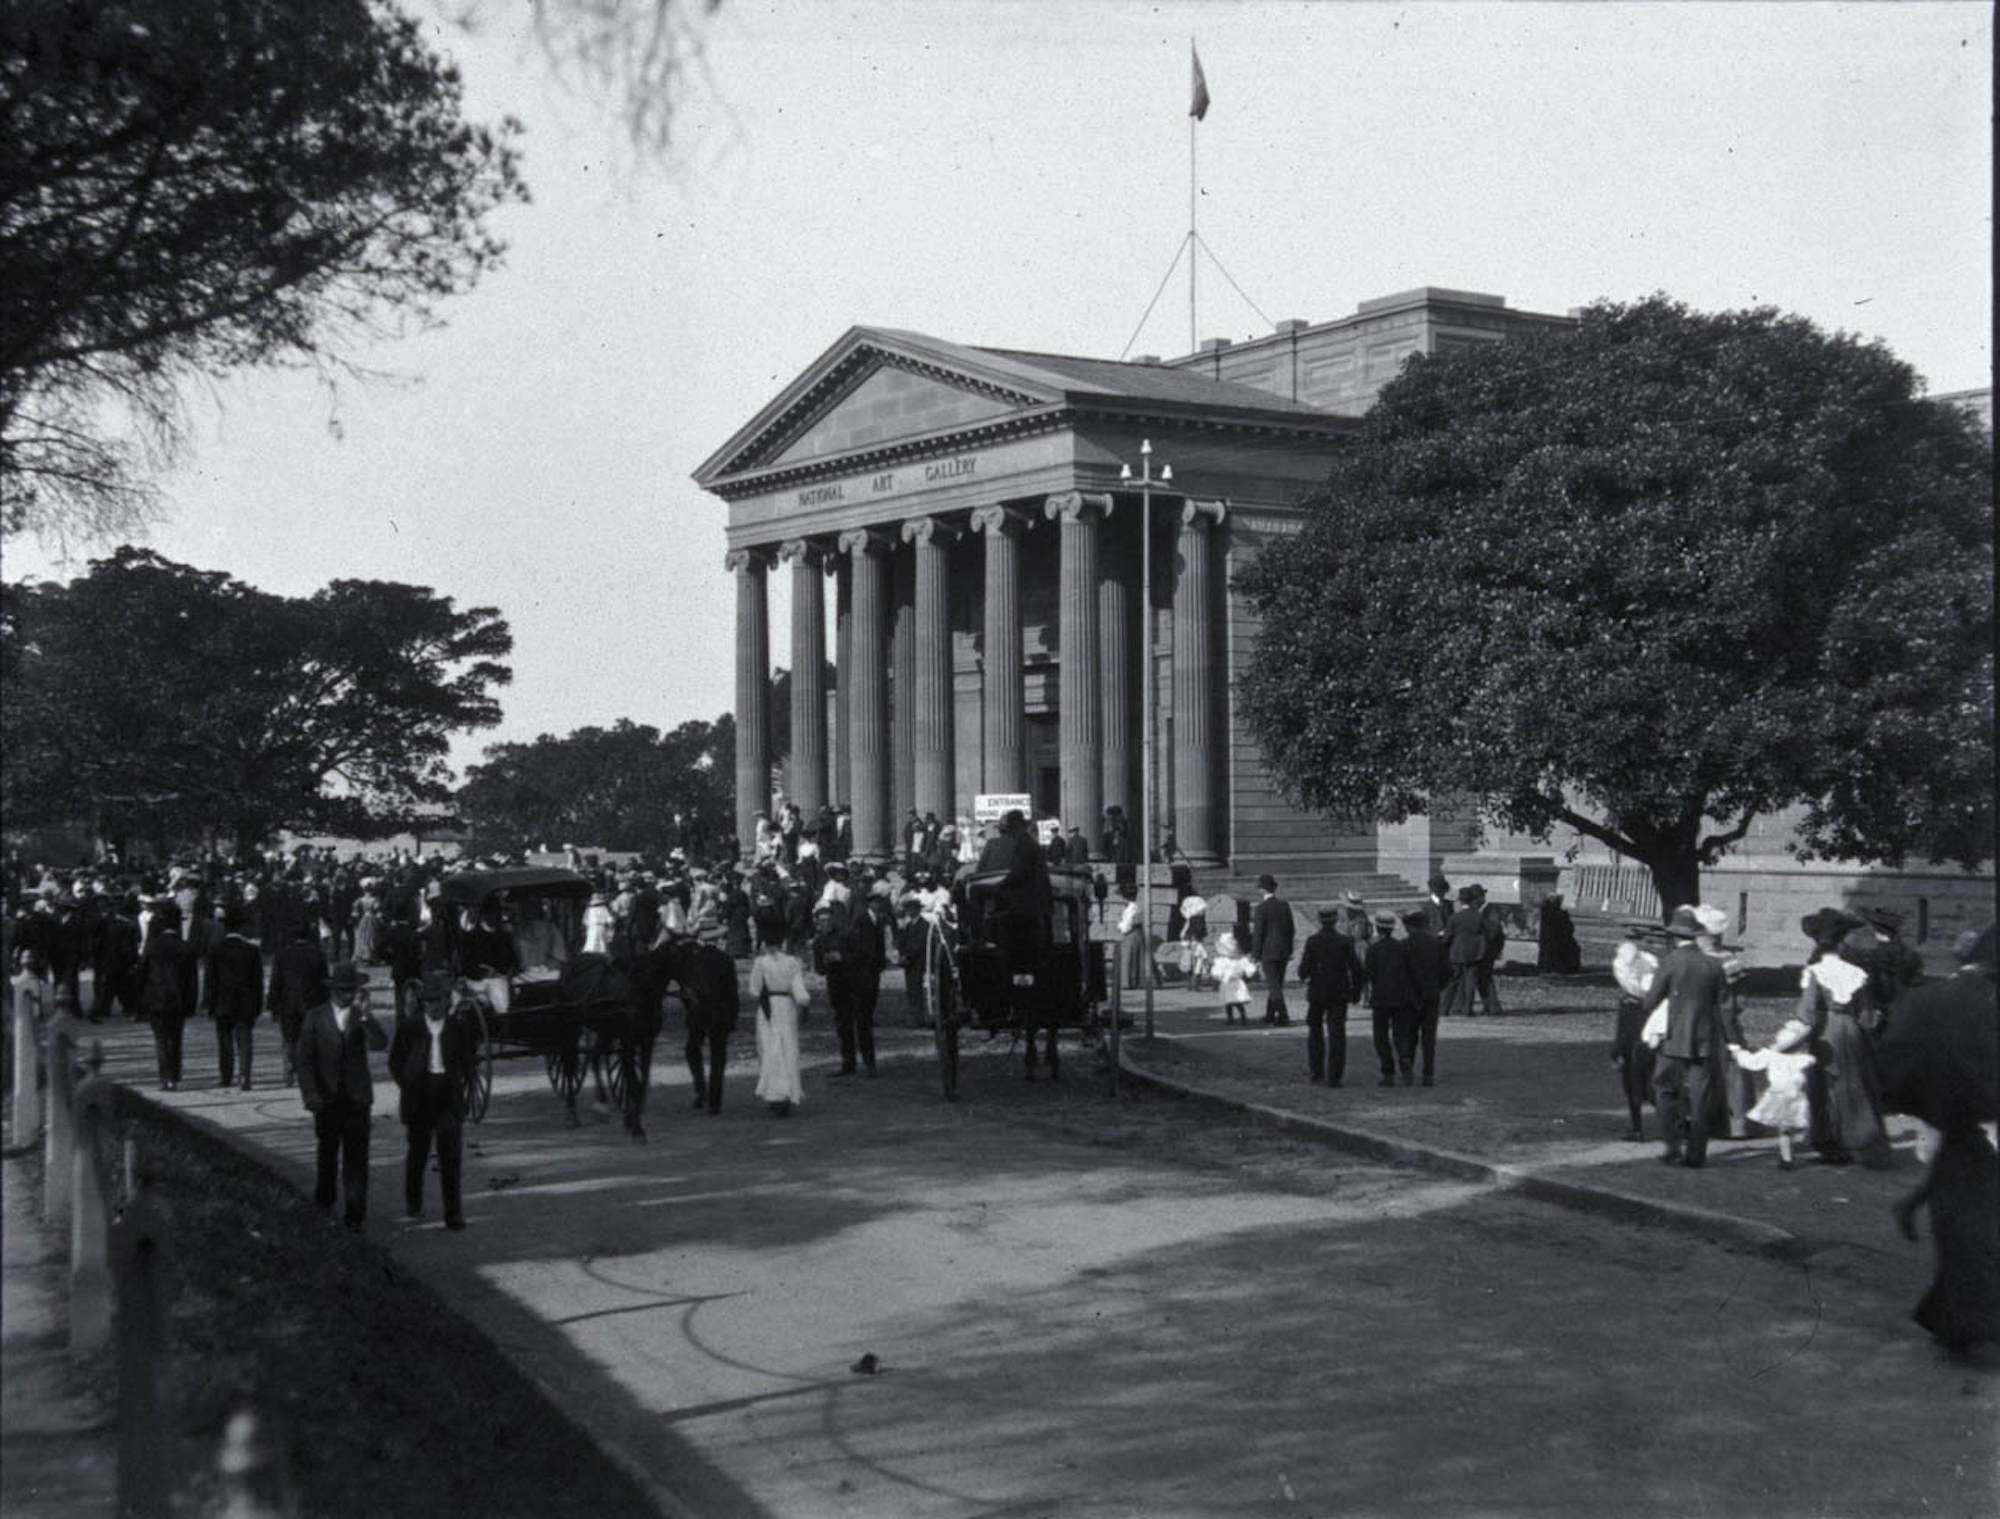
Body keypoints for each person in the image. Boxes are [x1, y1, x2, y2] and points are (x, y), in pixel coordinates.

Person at [1877, 924, 1999, 1358]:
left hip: (1958, 1128)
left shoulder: (1928, 1000)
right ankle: (1961, 1324)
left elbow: (1898, 1059)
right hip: (1982, 1130)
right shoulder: (1987, 1003)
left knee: (1963, 1231)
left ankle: (1956, 1324)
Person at [294, 960, 387, 1230]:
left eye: (353, 990)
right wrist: (310, 1094)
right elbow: (304, 1061)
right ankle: (324, 1203)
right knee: (327, 1153)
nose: (349, 995)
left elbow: (380, 1043)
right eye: (345, 990)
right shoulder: (315, 1017)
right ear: (333, 990)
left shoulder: (361, 1016)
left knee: (356, 1159)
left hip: (357, 1099)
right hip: (327, 1099)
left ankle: (355, 1215)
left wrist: (368, 1015)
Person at [1638, 905, 1729, 1168]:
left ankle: (1671, 1146)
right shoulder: (1713, 964)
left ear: (1675, 936)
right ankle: (1696, 1154)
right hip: (1704, 1037)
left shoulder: (1670, 963)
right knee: (1701, 1096)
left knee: (1665, 1088)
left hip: (1674, 1036)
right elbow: (1721, 1000)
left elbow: (1650, 1001)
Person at [1796, 908, 1889, 1167]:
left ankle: (1830, 1143)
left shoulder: (1814, 972)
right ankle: (1862, 1141)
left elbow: (1808, 1012)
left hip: (1826, 1031)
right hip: (1853, 1031)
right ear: (1841, 942)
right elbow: (1867, 1014)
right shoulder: (1856, 972)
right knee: (1856, 1083)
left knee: (1826, 1086)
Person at [389, 971, 472, 1229]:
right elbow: (395, 1061)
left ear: (445, 1001)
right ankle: (414, 1202)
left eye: (435, 1001)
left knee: (451, 1158)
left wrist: (460, 1084)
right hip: (420, 1097)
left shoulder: (457, 1027)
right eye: (426, 1001)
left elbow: (468, 1059)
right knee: (418, 1153)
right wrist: (408, 1085)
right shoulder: (409, 1028)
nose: (431, 1006)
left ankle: (453, 1213)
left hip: (447, 1096)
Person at [1728, 1018, 1816, 1170]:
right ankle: (1792, 1153)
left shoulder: (1770, 1055)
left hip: (1779, 1095)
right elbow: (1810, 1066)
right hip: (1797, 1096)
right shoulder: (1802, 1059)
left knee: (1784, 1129)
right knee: (1794, 1126)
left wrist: (1737, 1052)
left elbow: (1751, 1063)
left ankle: (1787, 1158)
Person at [749, 906, 809, 1115]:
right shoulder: (792, 962)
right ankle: (787, 1093)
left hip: (768, 1006)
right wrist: (802, 1003)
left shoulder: (760, 963)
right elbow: (800, 991)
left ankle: (775, 1095)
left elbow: (754, 990)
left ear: (765, 943)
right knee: (788, 1048)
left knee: (769, 1048)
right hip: (786, 1006)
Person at [1611, 923, 1665, 1140]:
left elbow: (1623, 1033)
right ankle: (1679, 1122)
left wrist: (1616, 1051)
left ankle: (1637, 1128)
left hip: (1633, 1049)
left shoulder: (1628, 1005)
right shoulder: (1654, 1003)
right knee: (1655, 1086)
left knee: (1633, 1087)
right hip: (1652, 1044)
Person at [135, 902, 197, 1091]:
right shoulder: (185, 947)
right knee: (176, 1038)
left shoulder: (152, 946)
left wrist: (139, 1002)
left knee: (161, 1039)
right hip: (179, 999)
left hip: (156, 999)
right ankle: (176, 1075)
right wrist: (191, 1005)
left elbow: (141, 975)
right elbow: (192, 980)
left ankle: (166, 1077)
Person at [1296, 905, 1362, 1080]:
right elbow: (1356, 969)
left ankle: (1316, 1072)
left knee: (1315, 1033)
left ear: (1319, 920)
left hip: (1317, 992)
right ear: (1335, 920)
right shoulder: (1345, 941)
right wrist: (1356, 992)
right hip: (1339, 992)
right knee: (1337, 1034)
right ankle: (1335, 1076)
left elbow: (1303, 970)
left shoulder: (1313, 941)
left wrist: (1307, 973)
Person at [202, 906, 263, 1090]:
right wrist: (257, 1006)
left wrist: (209, 1004)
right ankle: (245, 1077)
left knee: (224, 1042)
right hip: (245, 1003)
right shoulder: (251, 951)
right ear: (241, 928)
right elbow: (257, 982)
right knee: (245, 1041)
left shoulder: (216, 950)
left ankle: (226, 1076)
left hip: (223, 1002)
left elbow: (210, 980)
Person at [1364, 912, 1424, 1086]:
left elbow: (1368, 974)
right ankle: (1405, 1062)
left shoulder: (1373, 949)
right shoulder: (1403, 947)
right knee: (1401, 1034)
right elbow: (1413, 972)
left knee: (1381, 1036)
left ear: (1377, 928)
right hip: (1401, 998)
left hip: (1381, 998)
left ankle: (1388, 1072)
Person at [1401, 907, 1450, 1087]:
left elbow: (1398, 973)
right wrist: (1437, 987)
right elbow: (1447, 972)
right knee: (1429, 1038)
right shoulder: (1436, 944)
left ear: (1410, 926)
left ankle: (1408, 1070)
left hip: (1409, 998)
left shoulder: (1403, 946)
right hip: (1431, 996)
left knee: (1409, 1036)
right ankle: (1428, 1074)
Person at [1250, 874, 1294, 1026]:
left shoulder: (1261, 908)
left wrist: (1255, 954)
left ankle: (1283, 1016)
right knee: (1276, 984)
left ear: (1262, 890)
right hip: (1283, 950)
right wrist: (1289, 950)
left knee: (1273, 985)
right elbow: (1291, 930)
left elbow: (1258, 933)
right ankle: (1270, 1014)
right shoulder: (1284, 906)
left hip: (1268, 952)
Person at [1443, 886, 1488, 1019]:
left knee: (1452, 982)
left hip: (1456, 953)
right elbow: (1484, 933)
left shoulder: (1454, 917)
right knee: (1470, 982)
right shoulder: (1478, 916)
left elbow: (1448, 936)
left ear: (1460, 901)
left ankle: (1444, 1008)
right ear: (1471, 900)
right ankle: (1467, 1009)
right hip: (1474, 953)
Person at [1210, 931, 1258, 1028]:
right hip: (1229, 983)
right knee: (1230, 1002)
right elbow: (1217, 971)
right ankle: (1232, 1018)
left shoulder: (1238, 960)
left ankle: (1240, 1017)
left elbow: (1248, 967)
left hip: (1234, 982)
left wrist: (1250, 970)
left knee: (1237, 1001)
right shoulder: (1224, 961)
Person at [1536, 893, 1582, 974]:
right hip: (1556, 946)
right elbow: (1568, 929)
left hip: (1553, 945)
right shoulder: (1560, 914)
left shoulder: (1548, 913)